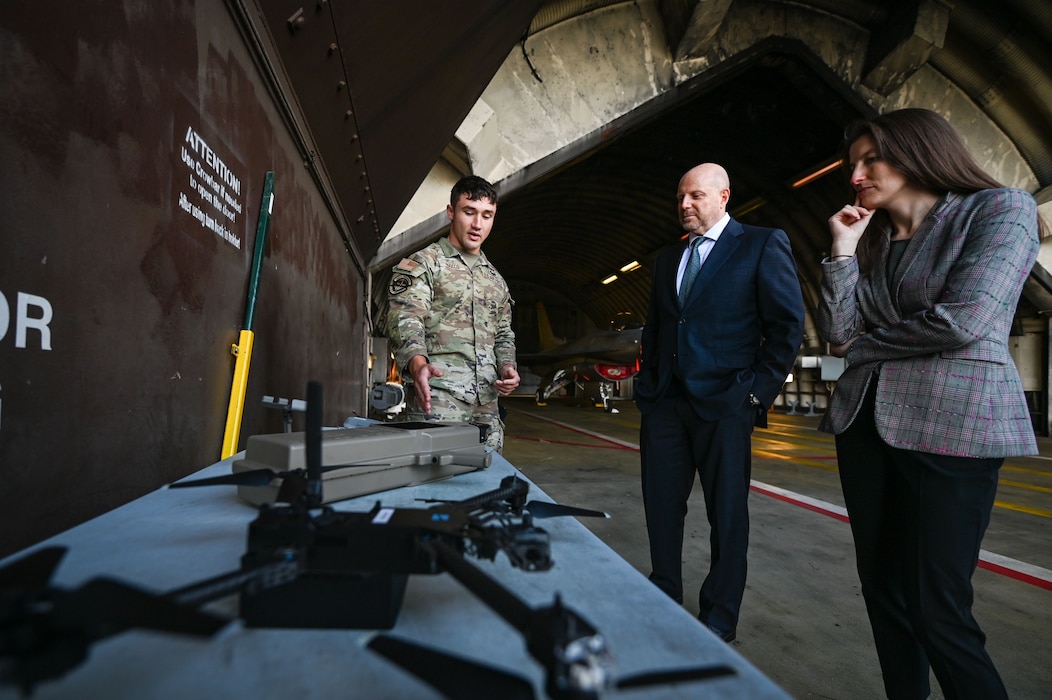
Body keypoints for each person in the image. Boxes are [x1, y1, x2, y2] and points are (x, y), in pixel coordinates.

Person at [816, 108, 1042, 700]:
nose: (857, 174)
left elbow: (965, 320)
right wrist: (841, 250)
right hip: (865, 424)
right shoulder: (871, 241)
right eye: (851, 164)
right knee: (884, 596)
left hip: (954, 426)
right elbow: (839, 336)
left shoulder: (999, 209)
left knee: (937, 607)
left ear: (919, 152)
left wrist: (865, 346)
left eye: (872, 159)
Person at [634, 163, 805, 643]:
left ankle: (720, 614)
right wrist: (650, 383)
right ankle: (663, 593)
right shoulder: (669, 259)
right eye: (680, 198)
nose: (685, 205)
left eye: (696, 196)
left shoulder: (760, 244)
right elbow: (656, 327)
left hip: (727, 401)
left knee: (726, 514)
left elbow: (788, 326)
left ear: (724, 196)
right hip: (666, 401)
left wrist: (755, 393)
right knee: (661, 506)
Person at [386, 175, 520, 451]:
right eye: (468, 212)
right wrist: (417, 363)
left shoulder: (495, 280)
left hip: (487, 406)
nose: (477, 224)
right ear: (451, 212)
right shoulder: (425, 264)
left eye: (487, 215)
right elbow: (406, 318)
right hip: (437, 397)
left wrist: (508, 368)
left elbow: (504, 334)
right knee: (434, 487)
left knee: (486, 485)